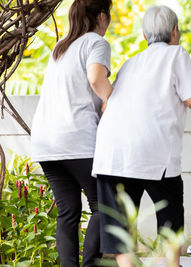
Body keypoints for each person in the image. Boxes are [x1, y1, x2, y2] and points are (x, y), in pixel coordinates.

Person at [92, 5, 191, 267]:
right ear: (175, 31)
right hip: (152, 152)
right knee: (170, 213)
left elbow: (108, 102)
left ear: (144, 35)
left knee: (120, 230)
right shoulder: (176, 54)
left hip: (111, 153)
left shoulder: (131, 62)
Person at [30, 0, 113, 266]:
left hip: (46, 142)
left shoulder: (60, 47)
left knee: (67, 212)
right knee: (103, 206)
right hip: (77, 139)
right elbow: (96, 78)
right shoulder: (96, 43)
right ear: (102, 16)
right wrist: (113, 100)